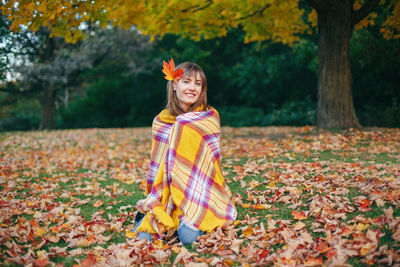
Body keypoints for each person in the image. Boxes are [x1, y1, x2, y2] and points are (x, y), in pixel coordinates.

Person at [131, 59, 237, 245]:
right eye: (186, 81)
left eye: (198, 84)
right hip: (168, 193)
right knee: (144, 238)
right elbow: (158, 166)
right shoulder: (161, 121)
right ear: (174, 85)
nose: (192, 88)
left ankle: (184, 220)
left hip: (203, 191)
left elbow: (211, 164)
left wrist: (182, 126)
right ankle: (157, 215)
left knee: (188, 238)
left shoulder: (209, 117)